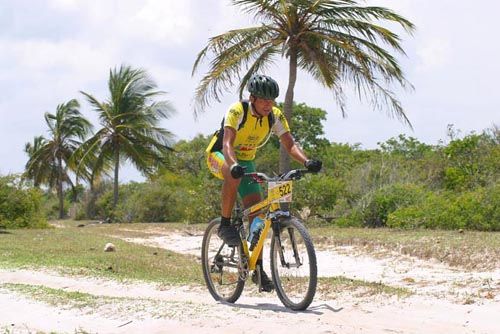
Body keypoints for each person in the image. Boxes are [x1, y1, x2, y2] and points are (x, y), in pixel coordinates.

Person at [205, 74, 322, 292]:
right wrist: (232, 165)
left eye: (272, 100)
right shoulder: (237, 111)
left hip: (246, 160)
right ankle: (224, 224)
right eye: (264, 100)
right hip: (220, 154)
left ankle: (257, 269)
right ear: (253, 98)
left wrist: (307, 161)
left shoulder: (275, 115)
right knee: (233, 175)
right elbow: (228, 144)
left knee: (257, 217)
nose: (269, 105)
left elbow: (289, 144)